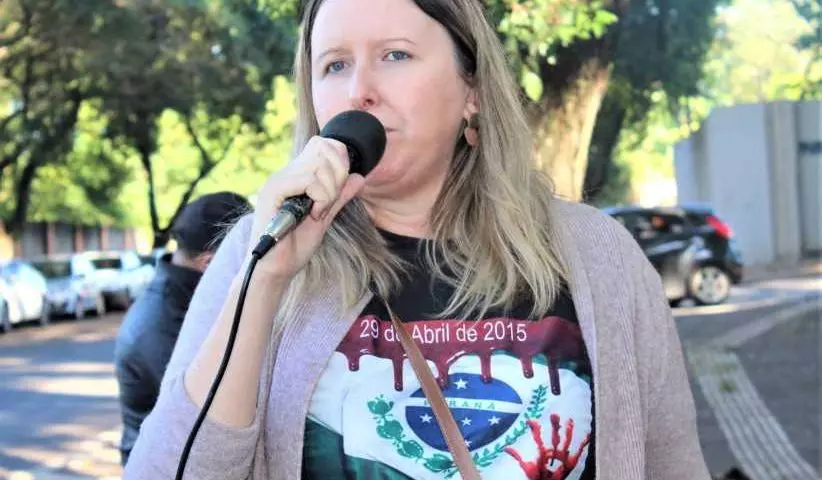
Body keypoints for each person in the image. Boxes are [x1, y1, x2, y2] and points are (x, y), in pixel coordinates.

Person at [124, 0, 711, 478]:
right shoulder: (257, 250)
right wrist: (264, 284)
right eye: (334, 65)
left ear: (471, 89)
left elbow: (672, 462)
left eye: (395, 55)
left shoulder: (598, 254)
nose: (359, 91)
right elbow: (168, 470)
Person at [113, 191, 250, 466]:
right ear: (209, 262)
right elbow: (207, 411)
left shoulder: (181, 301)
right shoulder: (163, 324)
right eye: (250, 255)